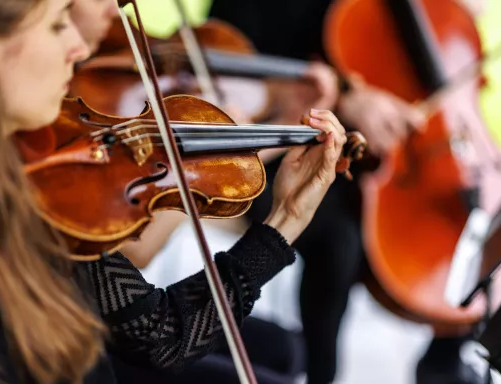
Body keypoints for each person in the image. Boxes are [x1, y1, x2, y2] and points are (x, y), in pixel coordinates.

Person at [0, 1, 349, 384]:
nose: (76, 47)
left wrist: (287, 217)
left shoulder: (36, 180)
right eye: (57, 24)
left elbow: (159, 337)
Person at [207, 1, 486, 384]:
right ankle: (322, 372)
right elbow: (240, 65)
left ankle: (448, 350)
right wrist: (344, 97)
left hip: (372, 155)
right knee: (341, 241)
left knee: (475, 229)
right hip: (272, 145)